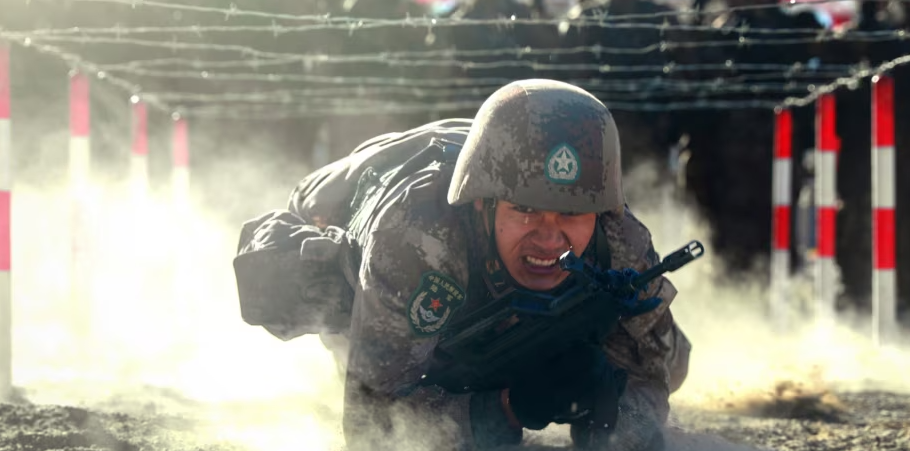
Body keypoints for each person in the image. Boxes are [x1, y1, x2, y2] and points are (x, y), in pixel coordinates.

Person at [234, 79, 690, 450]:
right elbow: (372, 428)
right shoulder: (418, 240)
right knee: (350, 312)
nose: (550, 238)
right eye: (525, 210)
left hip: (495, 151)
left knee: (677, 361)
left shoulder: (622, 242)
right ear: (482, 205)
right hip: (352, 194)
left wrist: (608, 420)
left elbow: (652, 382)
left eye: (571, 214)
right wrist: (508, 408)